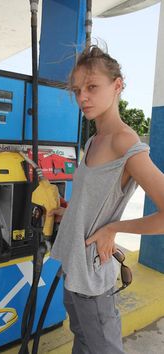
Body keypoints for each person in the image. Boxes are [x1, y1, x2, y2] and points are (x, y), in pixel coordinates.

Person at [49, 45, 164, 354]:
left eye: (92, 87)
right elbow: (97, 202)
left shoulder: (126, 142)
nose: (82, 97)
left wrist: (114, 228)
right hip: (75, 270)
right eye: (77, 90)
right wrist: (71, 212)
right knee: (83, 342)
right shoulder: (93, 139)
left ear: (118, 85)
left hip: (93, 281)